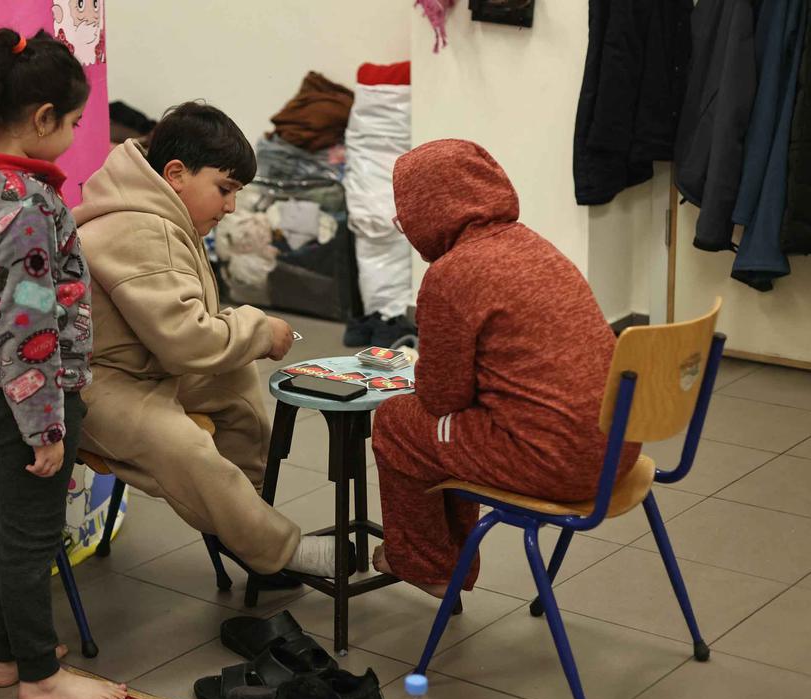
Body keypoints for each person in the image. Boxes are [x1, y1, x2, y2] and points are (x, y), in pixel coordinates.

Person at [0, 28, 126, 699]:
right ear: (42, 118)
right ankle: (43, 679)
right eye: (72, 122)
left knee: (3, 524)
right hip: (27, 396)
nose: (74, 135)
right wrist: (44, 426)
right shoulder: (27, 206)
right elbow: (31, 327)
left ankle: (12, 657)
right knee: (30, 535)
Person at [73, 102, 344, 579]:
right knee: (182, 445)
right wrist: (260, 329)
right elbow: (189, 342)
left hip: (146, 366)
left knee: (232, 379)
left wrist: (242, 336)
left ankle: (245, 521)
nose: (231, 206)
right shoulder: (138, 225)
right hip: (96, 385)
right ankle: (274, 549)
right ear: (176, 173)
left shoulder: (163, 210)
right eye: (225, 189)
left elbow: (184, 330)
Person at [372, 139, 639, 597]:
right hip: (618, 445)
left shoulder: (452, 274)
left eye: (404, 215)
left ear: (427, 210)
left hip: (560, 463)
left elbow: (440, 399)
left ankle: (428, 564)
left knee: (399, 423)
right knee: (456, 429)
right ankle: (448, 559)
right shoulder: (535, 246)